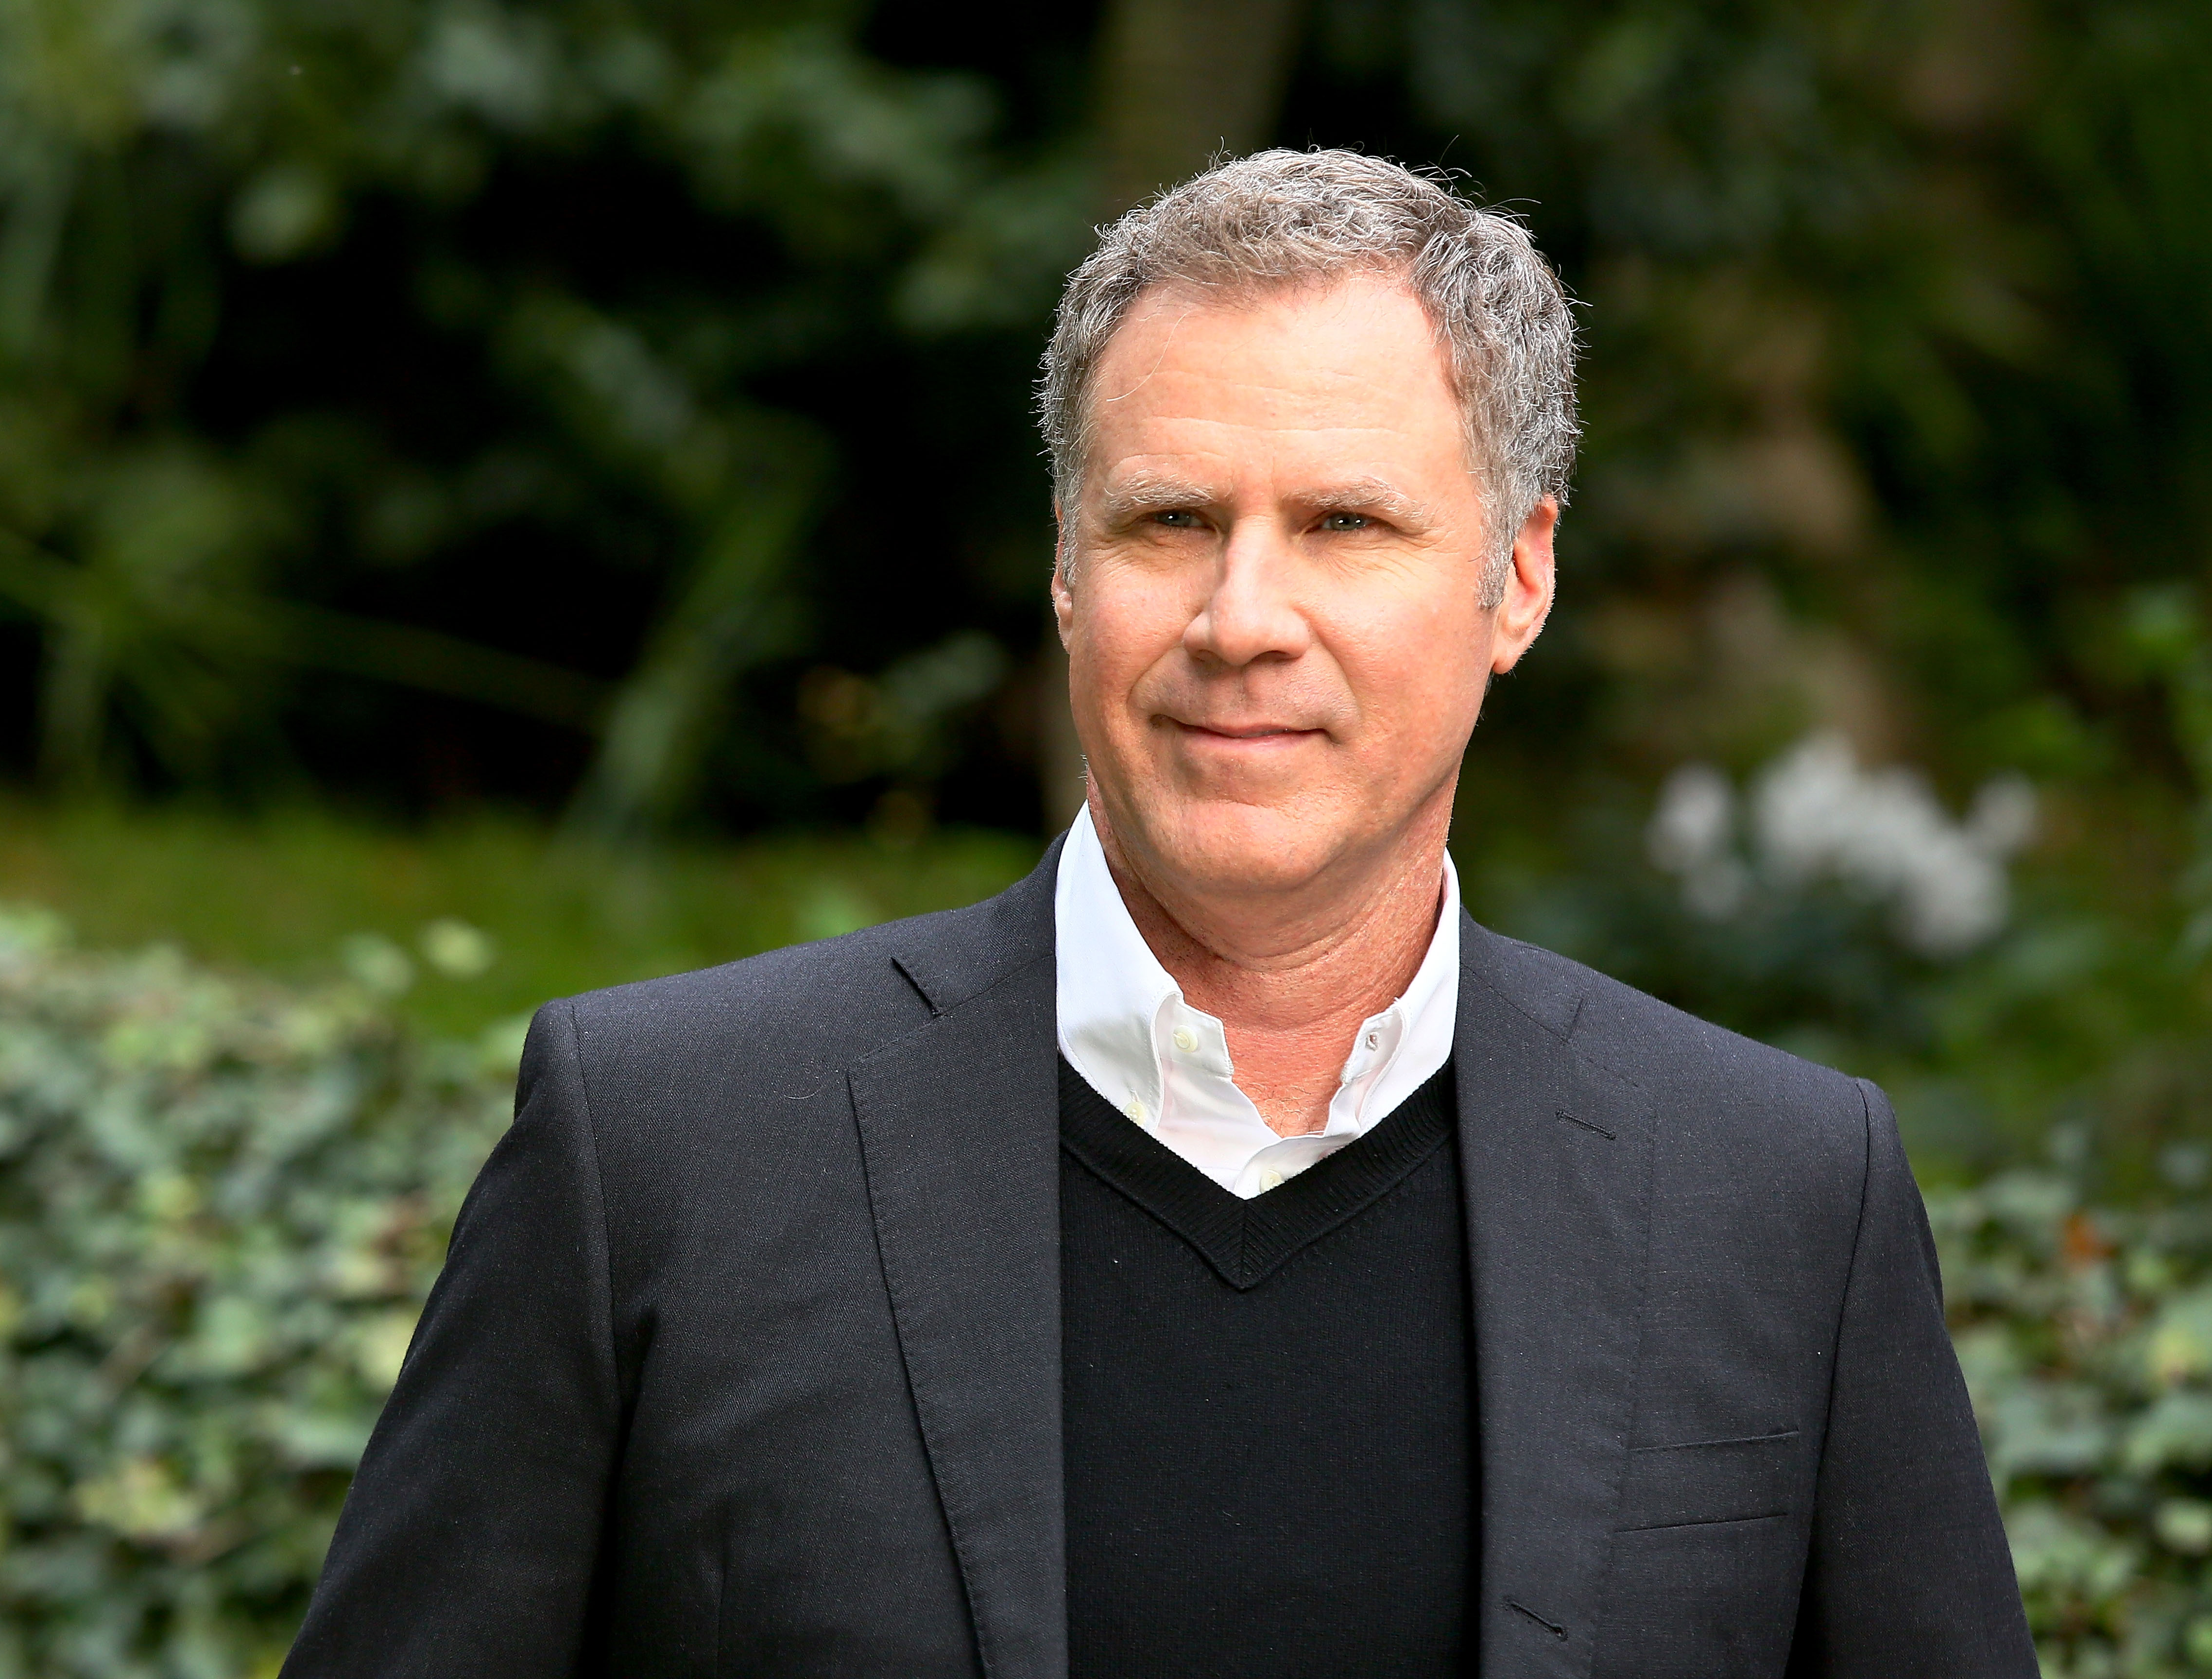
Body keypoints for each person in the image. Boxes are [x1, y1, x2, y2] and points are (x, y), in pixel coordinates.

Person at [279, 149, 2036, 1678]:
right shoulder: (662, 1152)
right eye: (1170, 521)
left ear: (1519, 578)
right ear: (1066, 573)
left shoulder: (1780, 1200)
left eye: (1346, 523)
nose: (1242, 617)